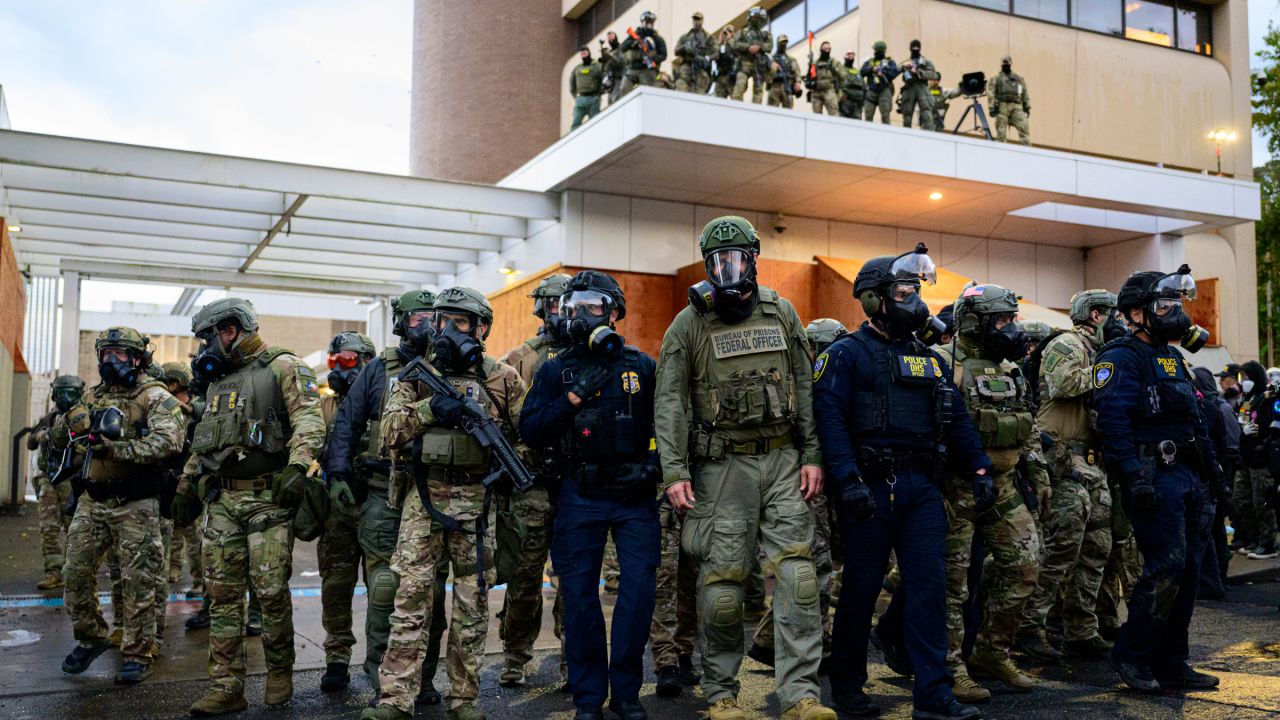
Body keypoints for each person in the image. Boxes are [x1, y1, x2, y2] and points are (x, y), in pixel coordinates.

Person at [656, 216, 835, 720]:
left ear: (754, 259)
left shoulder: (782, 313)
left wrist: (814, 454)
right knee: (724, 587)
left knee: (799, 576)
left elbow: (806, 387)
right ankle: (721, 694)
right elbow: (669, 402)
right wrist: (675, 471)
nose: (727, 270)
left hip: (783, 461)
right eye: (717, 262)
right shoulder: (688, 325)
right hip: (721, 468)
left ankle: (802, 694)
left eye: (735, 259)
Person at [814, 245, 988, 720]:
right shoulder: (845, 356)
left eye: (916, 290)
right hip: (868, 489)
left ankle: (933, 695)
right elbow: (829, 422)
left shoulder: (928, 359)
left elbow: (957, 419)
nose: (915, 300)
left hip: (921, 489)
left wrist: (978, 468)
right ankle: (848, 687)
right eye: (904, 291)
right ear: (874, 300)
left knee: (929, 589)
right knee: (861, 590)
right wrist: (847, 481)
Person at [363, 287, 526, 720]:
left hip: (477, 503)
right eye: (441, 320)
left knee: (472, 607)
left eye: (459, 321)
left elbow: (526, 442)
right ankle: (395, 699)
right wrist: (433, 409)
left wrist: (499, 463)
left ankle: (464, 699)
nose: (446, 330)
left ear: (481, 327)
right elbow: (389, 434)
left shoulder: (503, 378)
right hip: (423, 501)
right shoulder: (416, 375)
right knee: (410, 600)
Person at [171, 298, 327, 715]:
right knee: (221, 596)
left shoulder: (284, 367)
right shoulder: (218, 381)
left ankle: (279, 673)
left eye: (208, 336)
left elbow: (311, 421)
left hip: (267, 500)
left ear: (231, 329)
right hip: (222, 500)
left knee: (271, 593)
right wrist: (186, 487)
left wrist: (299, 467)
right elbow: (204, 441)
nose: (204, 346)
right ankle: (227, 685)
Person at [520, 271, 661, 720]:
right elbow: (531, 430)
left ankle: (626, 694)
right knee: (579, 600)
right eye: (572, 305)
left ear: (615, 312)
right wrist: (573, 398)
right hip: (579, 495)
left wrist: (651, 469)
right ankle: (587, 699)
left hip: (634, 498)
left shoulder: (641, 366)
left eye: (593, 306)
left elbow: (669, 427)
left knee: (637, 597)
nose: (580, 314)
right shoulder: (554, 369)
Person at [1094, 266, 1220, 693]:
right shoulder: (1119, 357)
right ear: (1135, 313)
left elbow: (1194, 416)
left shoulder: (1172, 357)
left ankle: (1172, 660)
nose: (1174, 313)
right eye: (1163, 305)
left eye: (1175, 305)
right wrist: (1133, 476)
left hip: (1188, 475)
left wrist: (1213, 470)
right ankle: (1132, 654)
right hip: (1152, 474)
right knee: (1165, 566)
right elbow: (1113, 422)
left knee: (1188, 569)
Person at [328, 290, 448, 703]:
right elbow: (348, 421)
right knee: (385, 589)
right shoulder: (380, 368)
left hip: (437, 496)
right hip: (384, 495)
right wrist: (339, 473)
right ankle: (385, 675)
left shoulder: (453, 365)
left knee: (431, 592)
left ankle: (425, 678)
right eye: (418, 319)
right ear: (399, 322)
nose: (428, 326)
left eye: (434, 318)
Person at [54, 327, 184, 685]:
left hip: (135, 503)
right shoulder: (93, 397)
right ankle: (92, 636)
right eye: (107, 352)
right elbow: (74, 439)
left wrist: (117, 448)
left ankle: (138, 652)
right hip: (92, 500)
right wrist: (75, 428)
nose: (112, 361)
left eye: (121, 353)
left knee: (139, 582)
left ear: (139, 358)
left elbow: (168, 443)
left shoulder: (154, 396)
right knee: (75, 574)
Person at [935, 285, 1045, 702]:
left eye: (1013, 319)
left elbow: (1027, 424)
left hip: (1003, 485)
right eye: (1002, 320)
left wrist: (1038, 474)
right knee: (952, 585)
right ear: (972, 321)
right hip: (956, 490)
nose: (1011, 329)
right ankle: (950, 666)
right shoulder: (945, 363)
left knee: (1025, 566)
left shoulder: (1010, 368)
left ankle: (991, 652)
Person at [1017, 291, 1122, 663]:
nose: (1121, 323)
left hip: (1090, 462)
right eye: (1115, 316)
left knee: (1097, 546)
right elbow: (1063, 384)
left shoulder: (1100, 353)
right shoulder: (1067, 343)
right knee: (1061, 547)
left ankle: (1081, 627)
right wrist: (1111, 373)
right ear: (1096, 315)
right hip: (1060, 460)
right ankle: (1029, 627)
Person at [498, 274, 573, 688]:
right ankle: (514, 654)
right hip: (531, 486)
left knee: (572, 579)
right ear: (542, 308)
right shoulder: (520, 359)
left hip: (576, 485)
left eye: (568, 304)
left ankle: (570, 657)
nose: (561, 312)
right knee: (524, 577)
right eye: (555, 305)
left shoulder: (587, 356)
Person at [315, 331, 377, 692]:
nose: (339, 370)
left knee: (381, 588)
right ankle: (336, 658)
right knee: (335, 588)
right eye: (334, 363)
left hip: (376, 506)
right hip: (337, 510)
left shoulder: (383, 402)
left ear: (367, 362)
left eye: (348, 362)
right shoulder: (324, 407)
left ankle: (379, 658)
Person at [30, 374, 84, 592]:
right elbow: (31, 442)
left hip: (72, 482)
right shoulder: (50, 417)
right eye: (60, 392)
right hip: (49, 481)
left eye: (68, 392)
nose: (63, 397)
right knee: (48, 529)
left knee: (75, 529)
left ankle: (75, 573)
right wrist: (43, 435)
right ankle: (54, 572)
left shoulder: (82, 418)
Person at [1192, 366, 1238, 599]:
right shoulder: (1209, 406)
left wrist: (1222, 478)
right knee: (1213, 531)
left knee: (1210, 531)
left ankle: (1216, 580)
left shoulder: (1213, 408)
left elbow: (1228, 444)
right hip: (1213, 477)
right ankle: (1216, 580)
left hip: (1211, 478)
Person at [159, 363, 202, 599]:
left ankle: (199, 581)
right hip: (169, 479)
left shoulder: (191, 411)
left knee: (193, 535)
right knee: (172, 531)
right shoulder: (163, 408)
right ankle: (174, 570)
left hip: (189, 479)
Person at [1236, 360, 1278, 559]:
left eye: (1247, 377)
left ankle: (1267, 543)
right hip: (1246, 457)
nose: (1244, 381)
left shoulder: (1268, 399)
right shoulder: (1248, 399)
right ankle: (1252, 539)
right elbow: (1243, 420)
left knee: (1262, 503)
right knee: (1242, 501)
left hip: (1261, 459)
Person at [618, 10, 667, 97]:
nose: (649, 25)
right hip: (632, 69)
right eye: (647, 22)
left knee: (649, 93)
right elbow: (622, 47)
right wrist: (633, 44)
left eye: (651, 23)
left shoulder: (657, 39)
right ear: (643, 22)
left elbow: (663, 55)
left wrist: (651, 59)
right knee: (623, 89)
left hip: (647, 70)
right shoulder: (634, 35)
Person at [731, 7, 773, 104]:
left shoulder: (765, 34)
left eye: (759, 18)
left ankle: (756, 111)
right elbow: (735, 45)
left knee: (758, 91)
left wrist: (759, 47)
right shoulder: (742, 32)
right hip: (744, 63)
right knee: (740, 86)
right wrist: (748, 48)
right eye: (755, 17)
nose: (757, 20)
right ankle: (735, 107)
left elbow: (769, 46)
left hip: (759, 65)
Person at [898, 40, 938, 130]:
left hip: (922, 87)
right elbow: (895, 71)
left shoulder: (926, 62)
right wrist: (903, 67)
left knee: (926, 111)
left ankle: (929, 134)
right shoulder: (906, 62)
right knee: (907, 114)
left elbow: (933, 75)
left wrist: (919, 72)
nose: (915, 50)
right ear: (910, 48)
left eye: (917, 48)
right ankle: (906, 135)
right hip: (909, 87)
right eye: (913, 48)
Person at [989, 55, 1029, 145]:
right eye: (1004, 63)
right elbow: (991, 91)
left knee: (1024, 127)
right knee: (1001, 129)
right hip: (1002, 105)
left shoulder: (1018, 77)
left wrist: (1027, 106)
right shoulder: (996, 77)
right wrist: (991, 107)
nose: (1005, 65)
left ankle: (1026, 149)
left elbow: (1024, 91)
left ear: (1010, 64)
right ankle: (1001, 146)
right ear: (1001, 64)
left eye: (1007, 63)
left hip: (1016, 106)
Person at [674, 12, 713, 94]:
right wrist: (685, 47)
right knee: (681, 87)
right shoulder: (685, 37)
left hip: (700, 69)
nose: (696, 22)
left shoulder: (708, 38)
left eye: (698, 19)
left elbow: (716, 53)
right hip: (687, 66)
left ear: (702, 21)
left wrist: (706, 58)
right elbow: (676, 51)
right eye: (695, 19)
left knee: (700, 93)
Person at [860, 41, 898, 124]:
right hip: (871, 90)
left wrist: (883, 72)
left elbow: (894, 73)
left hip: (884, 90)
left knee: (885, 115)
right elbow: (861, 72)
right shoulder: (869, 62)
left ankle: (886, 135)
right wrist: (871, 69)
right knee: (868, 116)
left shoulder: (889, 62)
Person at [570, 46, 606, 130]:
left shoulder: (597, 65)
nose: (583, 54)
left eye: (585, 52)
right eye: (582, 53)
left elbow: (604, 77)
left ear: (589, 53)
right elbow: (572, 81)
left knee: (594, 122)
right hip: (581, 98)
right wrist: (575, 95)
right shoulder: (577, 67)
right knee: (576, 122)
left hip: (593, 98)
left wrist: (600, 92)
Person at [767, 35, 802, 109]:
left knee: (788, 110)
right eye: (782, 42)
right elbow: (765, 73)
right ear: (778, 43)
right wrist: (771, 65)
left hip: (787, 86)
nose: (784, 45)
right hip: (774, 86)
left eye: (785, 43)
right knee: (771, 110)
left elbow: (797, 71)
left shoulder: (791, 59)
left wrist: (798, 82)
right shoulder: (771, 58)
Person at [838, 51, 866, 120]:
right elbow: (836, 86)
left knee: (857, 126)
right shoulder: (840, 70)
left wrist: (862, 102)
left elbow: (864, 87)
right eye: (849, 55)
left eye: (853, 55)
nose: (851, 57)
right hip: (845, 101)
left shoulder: (857, 72)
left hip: (857, 104)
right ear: (845, 57)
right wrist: (840, 103)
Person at [711, 26, 736, 98]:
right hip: (720, 76)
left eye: (729, 31)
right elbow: (714, 55)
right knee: (718, 101)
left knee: (735, 100)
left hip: (731, 77)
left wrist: (729, 40)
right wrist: (722, 41)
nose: (726, 33)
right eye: (725, 31)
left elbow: (735, 52)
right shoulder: (718, 45)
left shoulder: (734, 44)